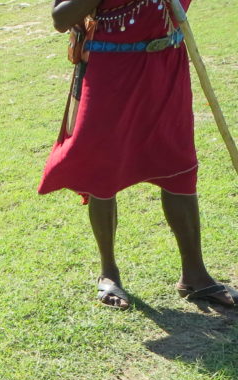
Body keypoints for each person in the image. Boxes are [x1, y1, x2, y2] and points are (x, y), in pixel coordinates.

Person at [39, 0, 236, 310]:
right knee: (103, 170)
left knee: (178, 165)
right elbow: (61, 18)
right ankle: (109, 272)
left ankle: (195, 276)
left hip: (166, 66)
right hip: (110, 72)